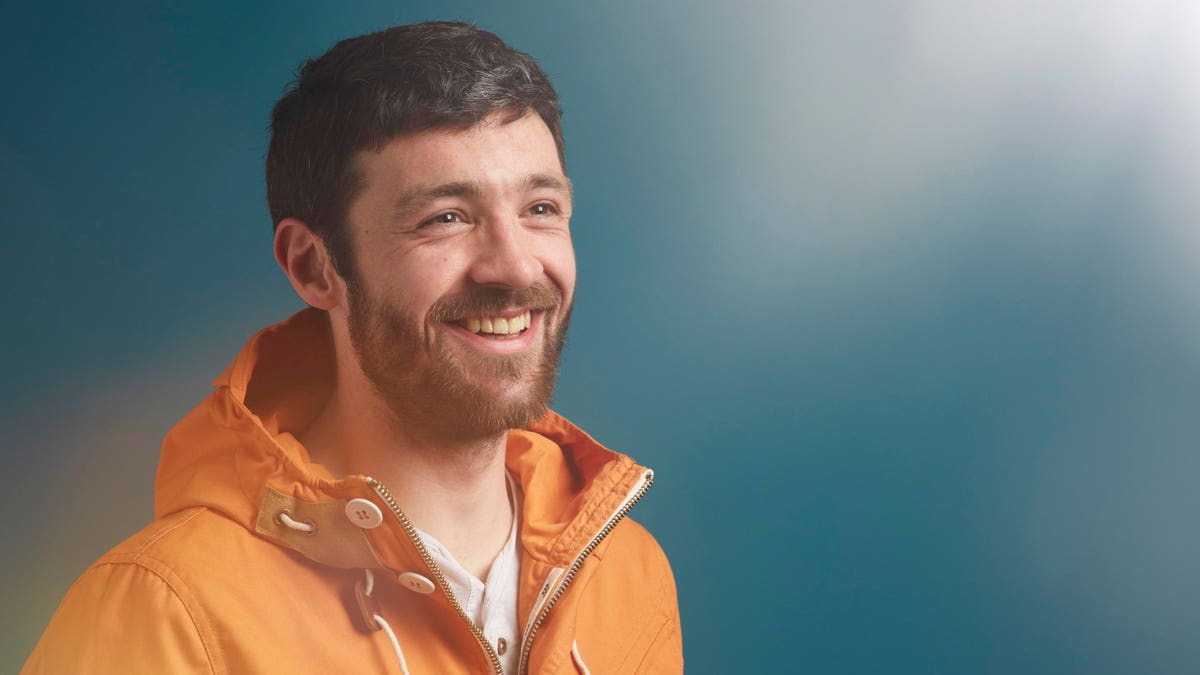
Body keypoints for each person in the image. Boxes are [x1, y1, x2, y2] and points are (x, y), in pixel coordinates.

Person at [23, 22, 681, 674]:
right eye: (445, 218)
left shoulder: (624, 573)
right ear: (314, 267)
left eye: (540, 208)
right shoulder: (169, 612)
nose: (514, 267)